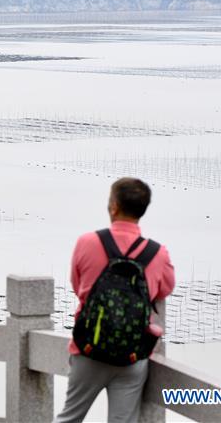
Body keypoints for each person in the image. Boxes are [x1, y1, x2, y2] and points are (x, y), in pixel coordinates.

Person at [55, 177, 175, 423]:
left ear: (113, 206)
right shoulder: (157, 253)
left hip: (88, 349)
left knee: (69, 418)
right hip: (131, 356)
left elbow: (79, 288)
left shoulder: (87, 242)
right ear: (142, 210)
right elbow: (165, 289)